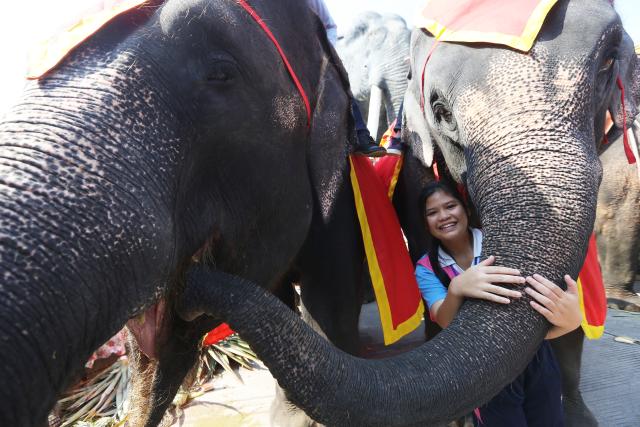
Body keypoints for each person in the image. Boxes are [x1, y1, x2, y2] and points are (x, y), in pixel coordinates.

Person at [415, 181, 582, 427]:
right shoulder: (426, 267)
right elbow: (445, 320)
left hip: (534, 356)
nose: (444, 216)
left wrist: (572, 320)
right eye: (432, 212)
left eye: (450, 206)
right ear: (426, 223)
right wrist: (457, 287)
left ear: (466, 209)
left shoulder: (504, 242)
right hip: (483, 368)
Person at [306, 0, 386, 157]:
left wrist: (325, 51)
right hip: (280, 58)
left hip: (317, 57)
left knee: (339, 83)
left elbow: (330, 26)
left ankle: (361, 136)